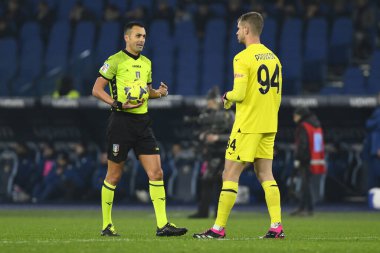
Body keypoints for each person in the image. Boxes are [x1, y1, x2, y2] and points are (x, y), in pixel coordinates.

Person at [193, 12, 284, 239]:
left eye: (237, 28)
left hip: (248, 124)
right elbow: (278, 96)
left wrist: (227, 97)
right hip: (269, 123)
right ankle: (276, 226)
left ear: (246, 30)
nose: (236, 32)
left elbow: (240, 93)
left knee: (229, 174)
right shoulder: (274, 58)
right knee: (266, 174)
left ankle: (218, 229)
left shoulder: (242, 58)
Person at [92, 21, 187, 237]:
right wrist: (115, 103)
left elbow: (147, 91)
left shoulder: (146, 63)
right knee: (114, 176)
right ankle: (107, 225)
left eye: (144, 36)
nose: (142, 40)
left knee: (157, 172)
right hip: (121, 122)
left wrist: (159, 93)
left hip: (142, 123)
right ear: (127, 38)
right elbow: (97, 89)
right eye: (137, 36)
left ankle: (162, 225)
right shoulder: (115, 60)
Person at [188, 87, 234, 218]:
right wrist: (203, 136)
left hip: (225, 153)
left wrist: (218, 138)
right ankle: (204, 212)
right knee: (206, 181)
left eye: (210, 101)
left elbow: (236, 135)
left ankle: (219, 214)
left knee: (222, 183)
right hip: (210, 153)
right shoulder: (206, 115)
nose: (208, 103)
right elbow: (197, 132)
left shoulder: (228, 115)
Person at [290, 107, 326, 216]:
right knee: (306, 184)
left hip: (305, 159)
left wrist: (298, 158)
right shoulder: (316, 125)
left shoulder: (304, 126)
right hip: (315, 159)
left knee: (305, 185)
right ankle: (304, 208)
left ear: (300, 115)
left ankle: (308, 209)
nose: (294, 118)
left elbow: (303, 145)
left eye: (295, 115)